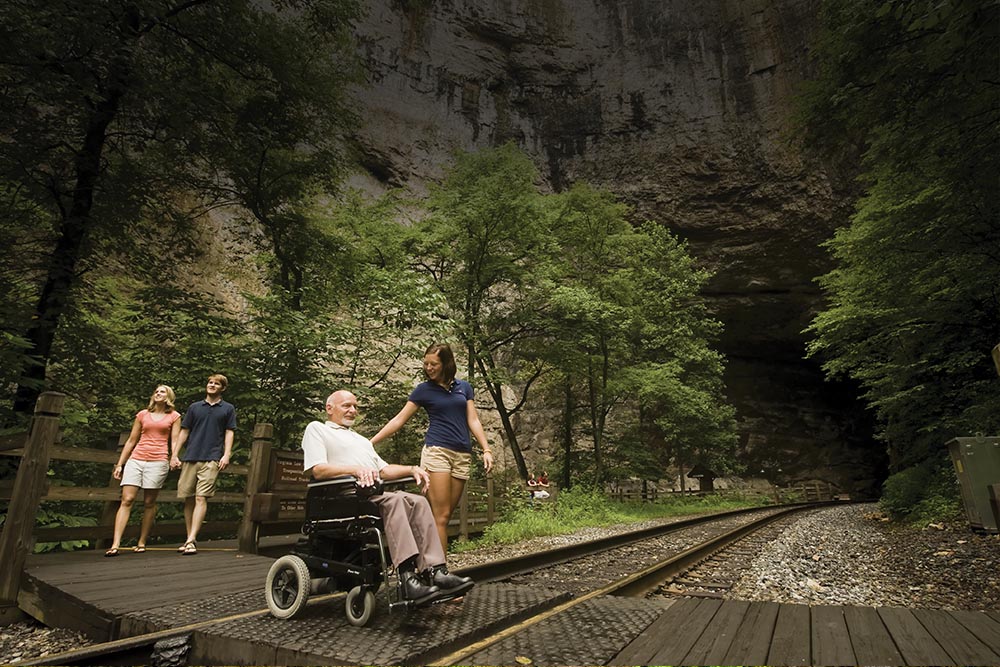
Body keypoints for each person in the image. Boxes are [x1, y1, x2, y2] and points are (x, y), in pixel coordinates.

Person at [302, 390, 474, 602]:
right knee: (396, 500)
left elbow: (383, 470)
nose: (353, 410)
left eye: (355, 406)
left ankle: (434, 571)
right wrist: (355, 470)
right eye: (347, 405)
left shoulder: (361, 440)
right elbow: (317, 469)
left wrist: (412, 469)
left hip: (367, 496)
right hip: (339, 498)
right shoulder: (317, 429)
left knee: (418, 501)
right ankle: (407, 577)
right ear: (330, 408)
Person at [370, 343, 494, 551]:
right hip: (437, 452)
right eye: (426, 363)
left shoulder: (464, 388)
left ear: (446, 363)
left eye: (433, 364)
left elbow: (473, 420)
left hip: (462, 454)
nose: (428, 368)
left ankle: (427, 564)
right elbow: (399, 420)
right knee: (441, 516)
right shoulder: (423, 390)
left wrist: (486, 449)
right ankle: (439, 569)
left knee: (445, 515)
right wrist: (370, 442)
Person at [105, 385, 182, 557]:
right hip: (136, 459)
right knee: (127, 499)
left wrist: (174, 457)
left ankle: (141, 541)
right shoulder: (142, 414)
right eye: (156, 391)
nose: (158, 394)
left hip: (158, 460)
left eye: (162, 392)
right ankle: (115, 543)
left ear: (168, 396)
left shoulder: (174, 416)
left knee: (149, 502)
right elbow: (132, 440)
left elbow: (175, 440)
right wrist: (119, 464)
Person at [169, 374, 236, 555]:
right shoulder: (194, 407)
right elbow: (184, 431)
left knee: (201, 497)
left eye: (216, 383)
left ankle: (191, 540)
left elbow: (229, 432)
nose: (212, 385)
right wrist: (175, 454)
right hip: (191, 456)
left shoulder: (227, 409)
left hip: (212, 458)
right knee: (188, 497)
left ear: (222, 388)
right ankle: (190, 537)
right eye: (210, 382)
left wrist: (226, 454)